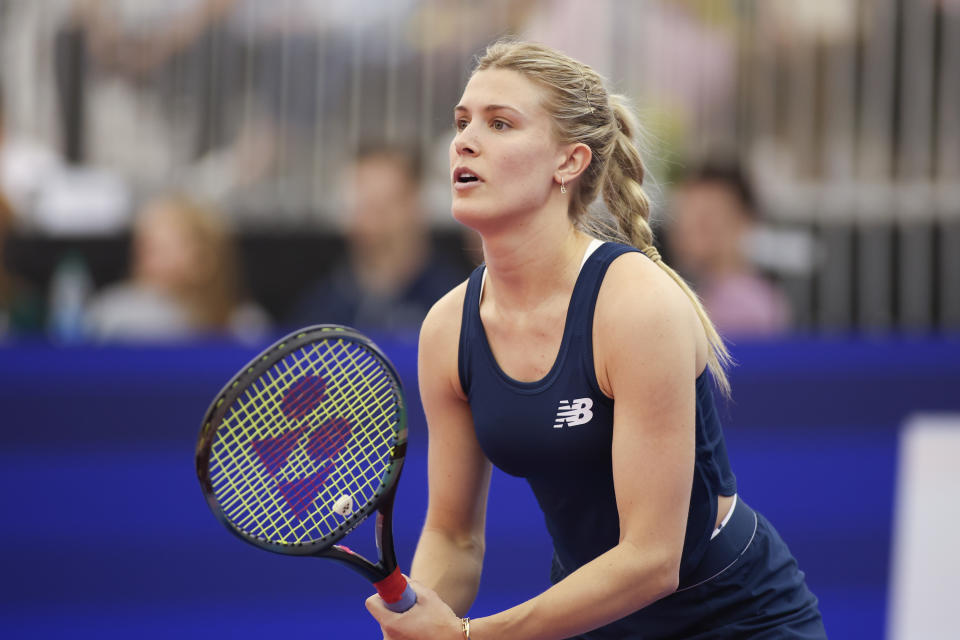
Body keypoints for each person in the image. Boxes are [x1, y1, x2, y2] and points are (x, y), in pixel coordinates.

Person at [365, 40, 826, 639]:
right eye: (462, 122)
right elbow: (454, 536)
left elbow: (651, 560)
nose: (465, 141)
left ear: (569, 161)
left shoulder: (635, 305)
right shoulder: (447, 329)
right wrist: (420, 619)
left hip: (735, 618)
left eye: (499, 123)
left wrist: (467, 637)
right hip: (594, 617)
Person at [287, 144, 464, 334]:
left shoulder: (458, 301)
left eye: (384, 205)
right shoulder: (321, 306)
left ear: (417, 206)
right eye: (361, 205)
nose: (371, 222)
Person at [85, 192, 269, 341]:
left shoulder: (247, 325)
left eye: (160, 249)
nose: (144, 259)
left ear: (206, 256)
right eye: (143, 248)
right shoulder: (113, 316)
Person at [667, 160, 791, 336]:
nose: (685, 232)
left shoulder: (745, 307)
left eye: (705, 220)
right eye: (682, 217)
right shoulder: (703, 291)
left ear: (743, 222)